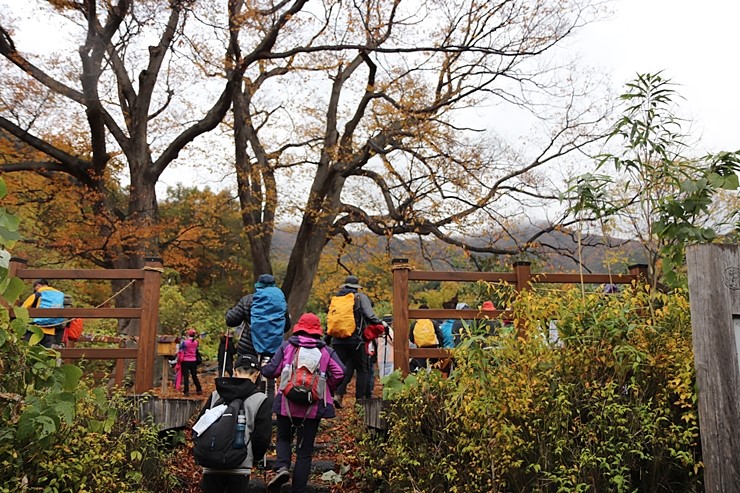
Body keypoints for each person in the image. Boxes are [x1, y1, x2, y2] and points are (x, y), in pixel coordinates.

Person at [261, 313, 345, 493]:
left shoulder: (287, 347)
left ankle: (282, 467)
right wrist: (325, 388)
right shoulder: (326, 351)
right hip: (312, 407)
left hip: (286, 403)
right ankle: (298, 489)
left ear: (299, 327)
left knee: (283, 437)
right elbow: (339, 372)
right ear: (317, 330)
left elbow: (271, 370)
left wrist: (264, 367)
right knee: (305, 451)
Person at [197, 353, 273, 493]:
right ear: (256, 375)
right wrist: (254, 458)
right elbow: (262, 436)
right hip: (240, 464)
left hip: (211, 462)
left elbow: (199, 426)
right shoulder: (260, 399)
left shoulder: (216, 395)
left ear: (234, 372)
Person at [226, 274, 291, 399]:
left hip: (248, 347)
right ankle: (266, 412)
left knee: (246, 377)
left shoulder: (249, 300)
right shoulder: (281, 303)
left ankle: (243, 408)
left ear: (258, 285)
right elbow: (286, 326)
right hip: (273, 348)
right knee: (269, 382)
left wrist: (228, 312)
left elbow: (231, 320)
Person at [326, 275, 383, 408]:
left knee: (343, 368)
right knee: (362, 369)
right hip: (355, 340)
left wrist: (327, 339)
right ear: (356, 287)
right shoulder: (359, 297)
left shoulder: (336, 298)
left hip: (337, 340)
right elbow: (370, 315)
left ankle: (338, 394)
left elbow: (331, 320)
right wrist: (380, 323)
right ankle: (360, 401)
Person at [21, 279, 68, 348]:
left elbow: (23, 308)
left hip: (35, 328)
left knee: (28, 350)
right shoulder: (59, 294)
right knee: (47, 354)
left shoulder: (38, 294)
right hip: (51, 329)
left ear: (38, 286)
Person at [179, 328, 202, 396]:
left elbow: (181, 349)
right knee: (194, 375)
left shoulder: (185, 342)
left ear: (188, 334)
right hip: (193, 360)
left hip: (186, 361)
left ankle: (186, 391)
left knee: (186, 376)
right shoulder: (196, 342)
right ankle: (199, 389)